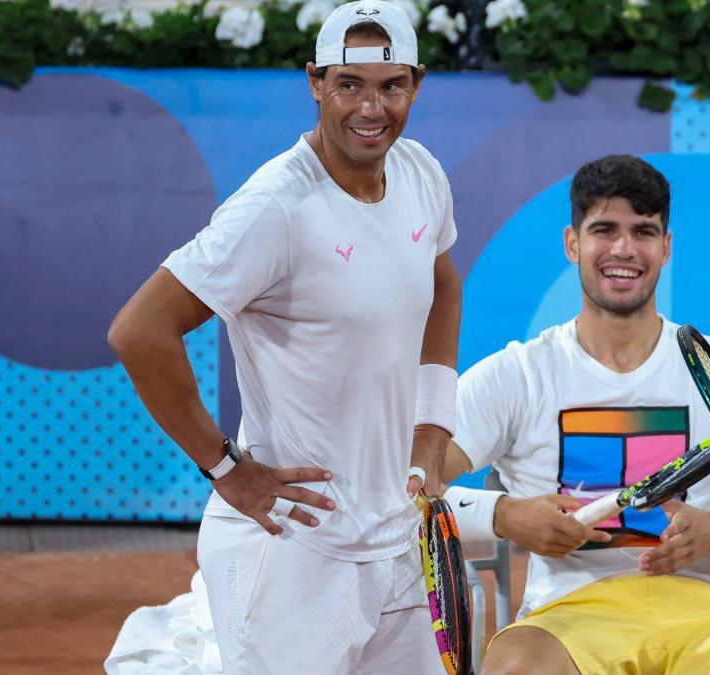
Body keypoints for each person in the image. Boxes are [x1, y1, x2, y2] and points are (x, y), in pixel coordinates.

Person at [106, 2, 460, 672]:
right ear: (314, 82)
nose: (371, 108)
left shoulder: (421, 173)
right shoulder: (274, 207)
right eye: (348, 83)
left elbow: (444, 284)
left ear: (416, 82)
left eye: (391, 86)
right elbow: (139, 331)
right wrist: (226, 468)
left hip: (394, 538)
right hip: (293, 551)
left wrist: (433, 428)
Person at [441, 155, 710, 675]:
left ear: (666, 246)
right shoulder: (516, 374)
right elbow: (406, 490)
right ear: (573, 243)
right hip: (564, 617)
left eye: (643, 231)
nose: (623, 249)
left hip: (705, 611)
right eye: (604, 230)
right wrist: (505, 515)